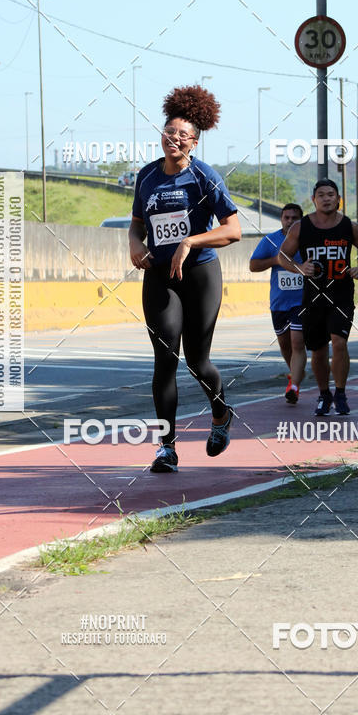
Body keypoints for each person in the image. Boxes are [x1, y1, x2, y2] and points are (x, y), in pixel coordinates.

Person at [128, 85, 241, 473]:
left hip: (200, 275)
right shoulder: (146, 177)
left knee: (197, 361)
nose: (174, 138)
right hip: (160, 277)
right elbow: (136, 225)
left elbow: (233, 230)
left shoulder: (203, 176)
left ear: (193, 143)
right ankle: (166, 448)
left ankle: (221, 412)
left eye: (183, 134)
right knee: (164, 361)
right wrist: (133, 243)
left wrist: (190, 241)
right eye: (169, 131)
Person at [278, 178, 358, 416]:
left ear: (338, 199)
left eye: (330, 194)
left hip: (341, 296)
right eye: (321, 194)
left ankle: (341, 394)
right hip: (312, 299)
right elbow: (283, 256)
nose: (326, 198)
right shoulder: (301, 227)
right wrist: (300, 267)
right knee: (319, 350)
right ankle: (324, 394)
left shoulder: (350, 227)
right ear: (314, 199)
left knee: (340, 342)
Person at [249, 203, 306, 404]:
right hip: (279, 302)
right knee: (285, 345)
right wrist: (277, 260)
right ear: (281, 219)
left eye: (294, 218)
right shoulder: (271, 240)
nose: (290, 221)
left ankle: (295, 386)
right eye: (286, 218)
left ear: (302, 219)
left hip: (302, 301)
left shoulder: (307, 239)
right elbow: (253, 265)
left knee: (298, 341)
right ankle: (295, 373)